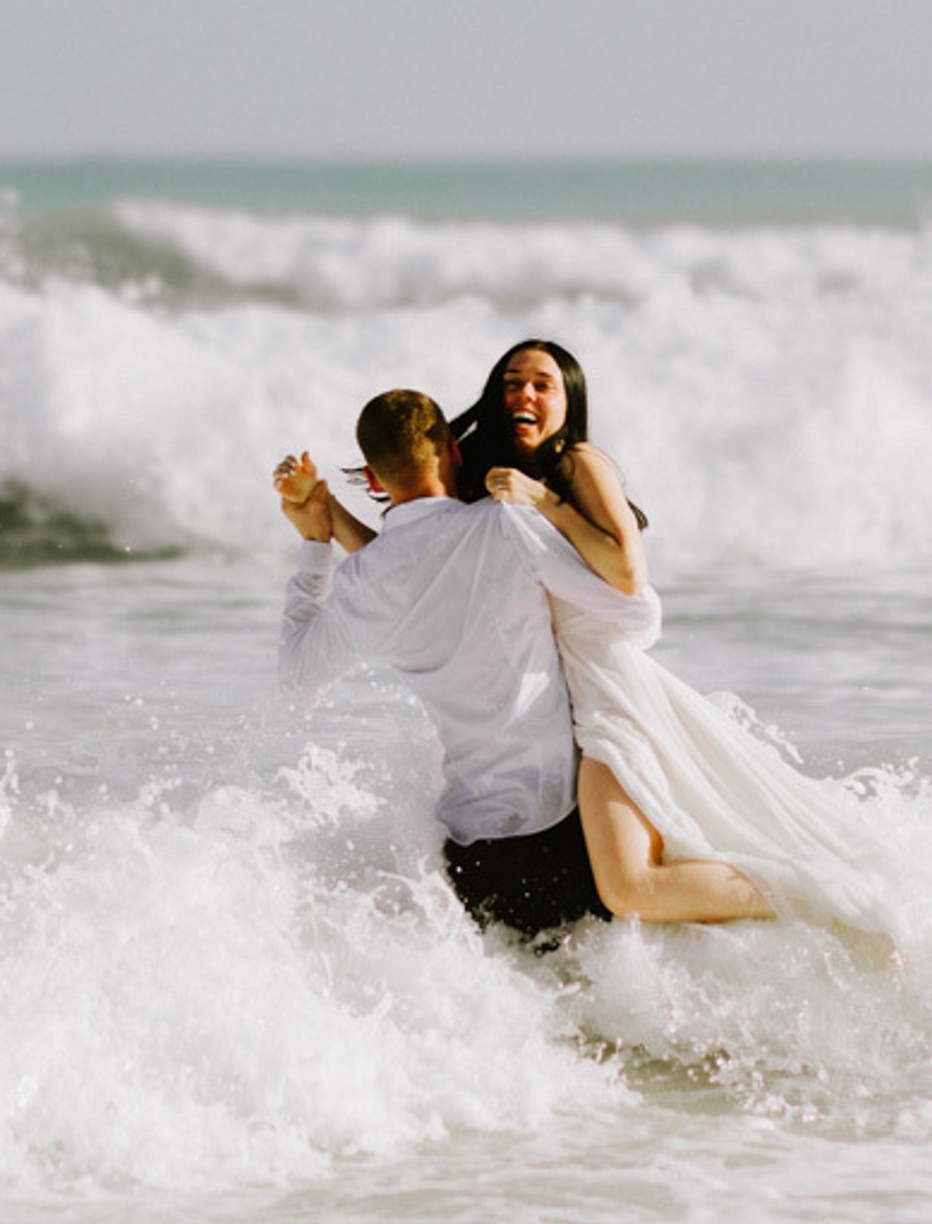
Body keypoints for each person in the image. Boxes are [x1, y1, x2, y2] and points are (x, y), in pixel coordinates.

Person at [305, 342, 902, 950]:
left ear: (570, 402)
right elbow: (417, 573)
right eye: (512, 382)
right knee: (636, 889)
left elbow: (629, 581)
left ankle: (806, 893)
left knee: (628, 889)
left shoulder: (577, 465)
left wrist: (542, 502)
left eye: (544, 385)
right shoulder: (491, 492)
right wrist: (328, 517)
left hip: (607, 696)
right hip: (569, 703)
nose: (525, 395)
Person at [273, 389, 772, 941]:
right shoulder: (504, 525)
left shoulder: (363, 580)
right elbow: (635, 614)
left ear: (373, 477)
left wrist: (317, 545)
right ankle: (783, 892)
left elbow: (297, 677)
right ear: (453, 452)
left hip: (475, 865)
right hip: (567, 834)